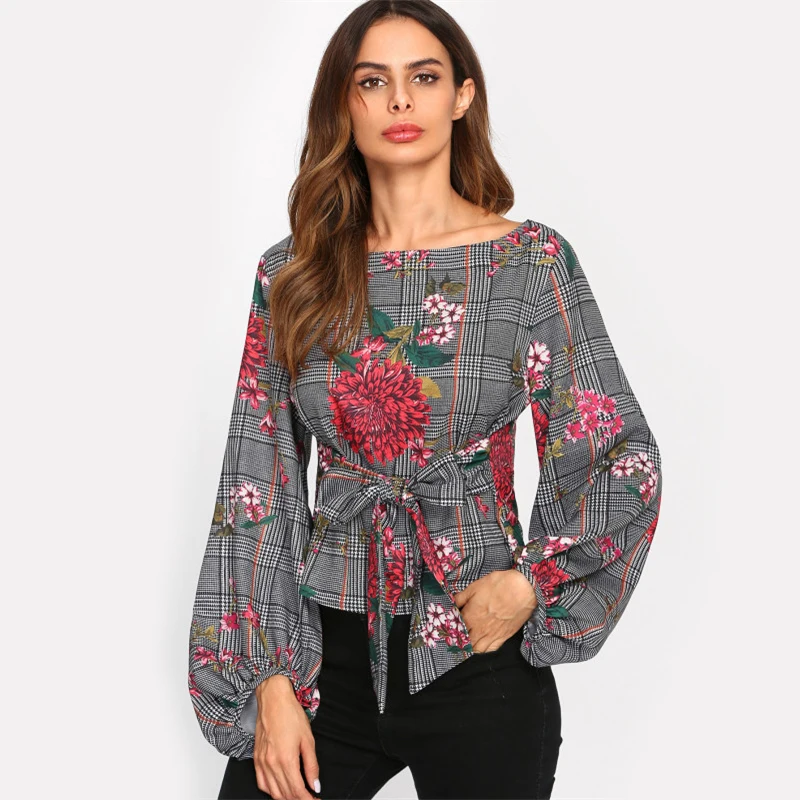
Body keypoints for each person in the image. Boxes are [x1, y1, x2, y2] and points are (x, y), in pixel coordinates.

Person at [187, 2, 664, 798]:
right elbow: (256, 484)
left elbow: (620, 453)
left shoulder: (529, 264)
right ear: (345, 103)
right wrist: (269, 679)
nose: (401, 100)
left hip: (478, 658)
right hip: (323, 663)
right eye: (373, 81)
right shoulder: (292, 275)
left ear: (462, 97)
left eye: (425, 77)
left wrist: (530, 583)